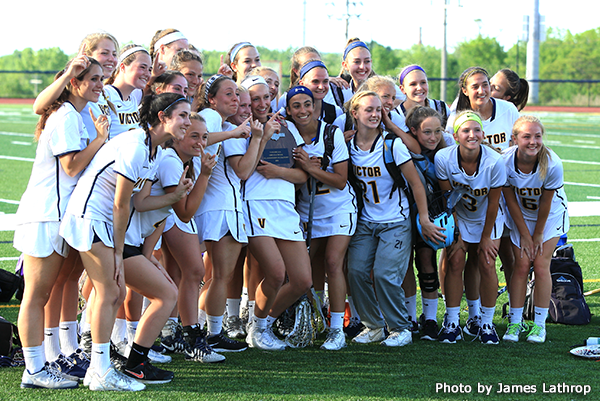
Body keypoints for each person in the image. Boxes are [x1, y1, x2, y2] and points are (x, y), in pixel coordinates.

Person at [59, 93, 192, 390]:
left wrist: (175, 196)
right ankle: (100, 370)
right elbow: (120, 204)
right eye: (183, 115)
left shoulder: (154, 151)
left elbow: (140, 203)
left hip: (107, 225)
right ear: (162, 117)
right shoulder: (135, 145)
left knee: (123, 292)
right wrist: (119, 253)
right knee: (110, 292)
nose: (188, 121)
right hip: (91, 218)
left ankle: (112, 366)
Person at [15, 58, 109, 389]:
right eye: (93, 78)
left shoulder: (74, 114)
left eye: (101, 78)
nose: (100, 84)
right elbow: (71, 167)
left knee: (49, 289)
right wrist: (99, 140)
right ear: (74, 83)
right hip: (45, 215)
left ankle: (47, 361)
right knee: (36, 294)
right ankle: (34, 369)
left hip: (57, 213)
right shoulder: (66, 115)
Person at [346, 91, 444, 347]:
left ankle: (401, 327)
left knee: (384, 275)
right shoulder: (348, 144)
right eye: (368, 109)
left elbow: (416, 184)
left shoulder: (392, 144)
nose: (374, 114)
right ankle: (374, 326)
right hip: (366, 220)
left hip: (395, 221)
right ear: (355, 113)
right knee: (355, 272)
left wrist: (424, 219)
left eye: (378, 109)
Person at [238, 75, 312, 351]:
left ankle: (262, 324)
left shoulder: (287, 126)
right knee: (276, 273)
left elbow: (302, 175)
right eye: (254, 98)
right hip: (256, 204)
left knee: (302, 280)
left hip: (285, 206)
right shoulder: (241, 129)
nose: (261, 103)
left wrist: (278, 172)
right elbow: (243, 171)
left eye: (266, 97)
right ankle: (256, 328)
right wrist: (263, 136)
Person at [445, 67, 520, 337]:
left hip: (504, 192)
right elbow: (449, 165)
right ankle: (467, 316)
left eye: (485, 84)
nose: (481, 90)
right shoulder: (456, 119)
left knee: (504, 256)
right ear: (465, 90)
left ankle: (515, 315)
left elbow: (520, 139)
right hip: (468, 201)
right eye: (474, 86)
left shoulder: (507, 110)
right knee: (458, 258)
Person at [287, 86, 357, 350]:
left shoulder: (331, 132)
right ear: (288, 109)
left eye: (307, 104)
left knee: (333, 262)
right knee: (308, 268)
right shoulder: (286, 134)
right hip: (307, 210)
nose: (303, 110)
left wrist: (308, 167)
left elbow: (340, 181)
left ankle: (337, 329)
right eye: (296, 105)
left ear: (315, 105)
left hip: (338, 207)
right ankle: (316, 319)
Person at [435, 111, 507, 344]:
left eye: (476, 130)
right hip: (460, 215)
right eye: (465, 130)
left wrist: (486, 238)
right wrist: (455, 231)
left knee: (486, 262)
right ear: (456, 136)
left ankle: (486, 323)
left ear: (483, 134)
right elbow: (448, 198)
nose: (472, 135)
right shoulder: (443, 158)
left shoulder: (494, 161)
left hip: (488, 217)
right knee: (455, 260)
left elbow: (494, 203)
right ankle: (452, 322)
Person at [502, 115, 569, 343]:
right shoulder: (505, 161)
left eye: (537, 136)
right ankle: (515, 322)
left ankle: (539, 325)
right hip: (520, 216)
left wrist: (537, 235)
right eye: (526, 136)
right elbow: (510, 200)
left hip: (548, 218)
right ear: (514, 139)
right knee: (521, 265)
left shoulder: (552, 163)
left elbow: (546, 203)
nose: (533, 141)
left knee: (540, 265)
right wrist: (524, 234)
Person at [402, 105, 448, 341]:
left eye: (437, 131)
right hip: (403, 212)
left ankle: (430, 319)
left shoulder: (445, 151)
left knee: (427, 261)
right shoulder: (403, 147)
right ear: (413, 132)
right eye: (427, 132)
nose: (433, 137)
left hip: (432, 214)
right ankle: (410, 317)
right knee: (405, 265)